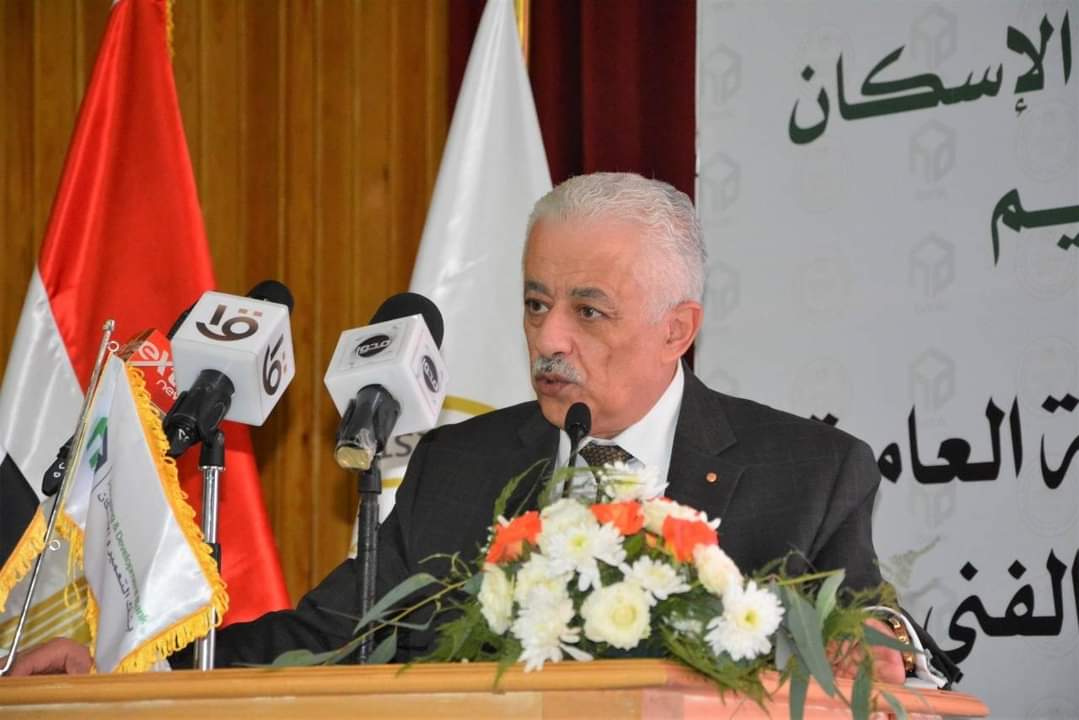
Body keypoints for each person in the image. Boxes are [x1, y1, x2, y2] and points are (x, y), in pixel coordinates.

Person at [9, 172, 948, 685]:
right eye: (535, 303)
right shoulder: (460, 466)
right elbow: (333, 633)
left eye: (587, 310)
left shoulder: (807, 471)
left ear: (678, 329)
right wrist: (127, 673)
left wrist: (875, 639)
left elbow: (868, 624)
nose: (548, 338)